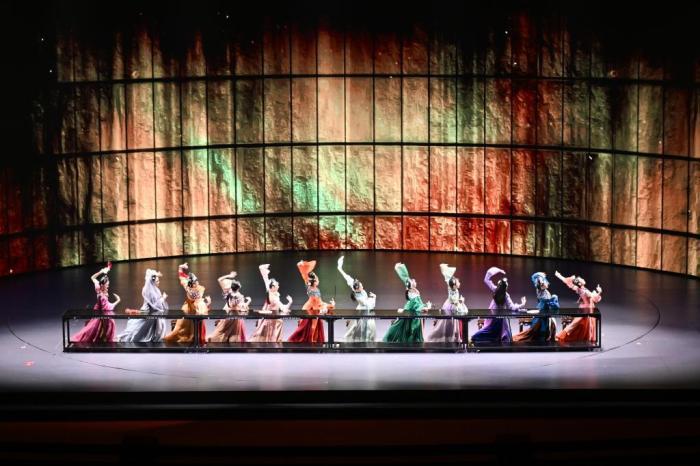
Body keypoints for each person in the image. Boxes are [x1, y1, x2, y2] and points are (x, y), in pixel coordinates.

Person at [471, 267, 525, 344]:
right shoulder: (505, 295)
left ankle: (480, 338)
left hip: (493, 316)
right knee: (502, 331)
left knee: (490, 330)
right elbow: (512, 307)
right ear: (506, 287)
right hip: (500, 317)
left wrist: (497, 270)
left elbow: (486, 279)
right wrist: (522, 304)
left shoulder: (496, 290)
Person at [288, 260, 335, 343]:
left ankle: (311, 340)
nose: (318, 280)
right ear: (314, 282)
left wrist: (301, 266)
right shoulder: (312, 290)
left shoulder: (312, 287)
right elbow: (317, 303)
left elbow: (305, 275)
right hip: (311, 308)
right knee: (313, 325)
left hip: (313, 306)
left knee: (312, 325)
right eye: (316, 280)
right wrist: (328, 306)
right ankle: (311, 341)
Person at [383, 263, 431, 343]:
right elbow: (419, 307)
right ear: (411, 286)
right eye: (413, 281)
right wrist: (427, 306)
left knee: (404, 327)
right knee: (407, 327)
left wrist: (399, 267)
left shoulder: (412, 290)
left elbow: (405, 277)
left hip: (409, 311)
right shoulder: (414, 296)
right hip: (409, 312)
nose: (414, 280)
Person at [71, 263, 119, 343]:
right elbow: (107, 308)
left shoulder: (98, 287)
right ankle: (103, 338)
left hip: (98, 309)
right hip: (100, 312)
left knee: (93, 328)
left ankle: (101, 337)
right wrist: (117, 301)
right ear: (103, 285)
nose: (108, 286)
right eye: (107, 285)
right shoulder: (102, 295)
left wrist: (101, 272)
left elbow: (93, 277)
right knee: (109, 322)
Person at [117, 269, 168, 343]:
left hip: (153, 311)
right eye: (157, 281)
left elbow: (149, 272)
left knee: (154, 325)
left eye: (158, 281)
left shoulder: (155, 289)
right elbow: (155, 305)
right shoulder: (150, 291)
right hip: (148, 311)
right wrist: (163, 298)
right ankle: (127, 337)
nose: (158, 282)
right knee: (139, 327)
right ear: (152, 282)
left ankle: (153, 337)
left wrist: (156, 274)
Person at [163, 263, 210, 344]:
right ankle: (194, 337)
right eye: (196, 282)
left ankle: (192, 335)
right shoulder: (199, 290)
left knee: (185, 324)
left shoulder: (187, 286)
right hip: (196, 308)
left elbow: (181, 276)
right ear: (193, 283)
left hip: (188, 307)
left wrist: (181, 267)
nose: (197, 283)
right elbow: (198, 300)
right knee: (194, 322)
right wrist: (208, 303)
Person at [554, 271, 602, 343]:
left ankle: (583, 336)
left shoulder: (578, 289)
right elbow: (594, 298)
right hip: (587, 308)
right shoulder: (584, 291)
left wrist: (559, 275)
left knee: (581, 323)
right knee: (577, 323)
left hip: (584, 306)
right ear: (580, 283)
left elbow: (567, 282)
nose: (582, 279)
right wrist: (599, 291)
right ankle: (563, 334)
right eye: (580, 279)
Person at [337, 255, 376, 342]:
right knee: (363, 326)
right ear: (357, 289)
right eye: (361, 286)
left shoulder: (353, 285)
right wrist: (374, 297)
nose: (362, 286)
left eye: (361, 284)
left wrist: (340, 267)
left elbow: (345, 276)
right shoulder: (359, 298)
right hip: (363, 309)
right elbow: (369, 304)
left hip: (361, 308)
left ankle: (352, 325)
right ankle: (360, 339)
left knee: (359, 325)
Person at [425, 263, 467, 343]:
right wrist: (460, 301)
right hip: (450, 306)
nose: (459, 283)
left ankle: (452, 335)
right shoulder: (451, 289)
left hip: (453, 305)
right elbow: (454, 300)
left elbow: (448, 278)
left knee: (453, 322)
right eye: (458, 282)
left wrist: (444, 268)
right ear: (454, 286)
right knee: (448, 322)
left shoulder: (453, 288)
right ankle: (447, 336)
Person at [250, 264, 292, 342]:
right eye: (277, 285)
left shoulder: (269, 289)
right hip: (272, 314)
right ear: (273, 287)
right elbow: (283, 308)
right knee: (278, 323)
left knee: (267, 325)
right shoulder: (274, 297)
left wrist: (262, 268)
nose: (278, 286)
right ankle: (273, 340)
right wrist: (290, 302)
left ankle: (271, 339)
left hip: (268, 311)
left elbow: (265, 278)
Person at [513, 272, 559, 342]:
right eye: (544, 281)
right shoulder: (541, 291)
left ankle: (546, 336)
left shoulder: (544, 291)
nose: (546, 282)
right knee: (543, 324)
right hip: (543, 310)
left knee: (551, 323)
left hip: (545, 310)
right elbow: (540, 285)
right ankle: (542, 338)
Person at [207, 271, 251, 343]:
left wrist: (229, 275)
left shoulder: (228, 292)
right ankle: (232, 339)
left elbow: (219, 279)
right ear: (238, 288)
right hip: (235, 312)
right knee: (233, 328)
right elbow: (242, 306)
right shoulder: (239, 296)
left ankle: (225, 338)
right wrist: (249, 301)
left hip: (228, 310)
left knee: (224, 326)